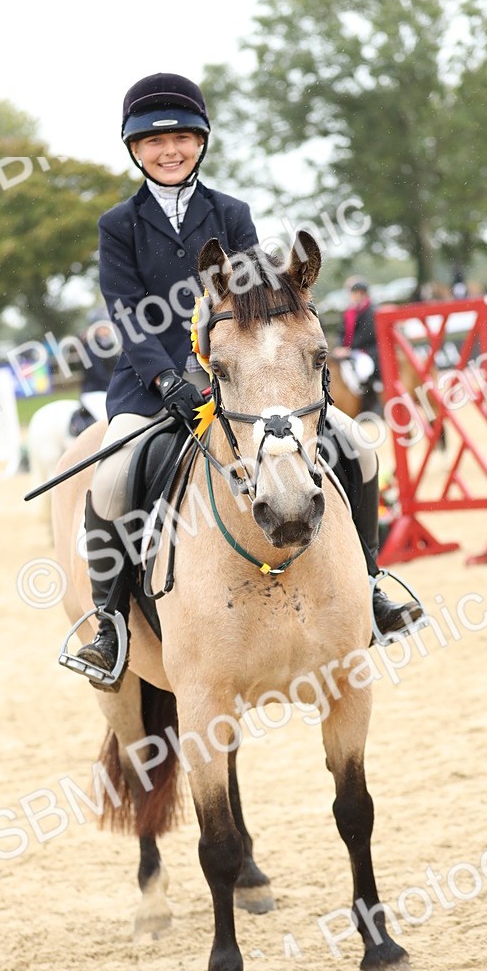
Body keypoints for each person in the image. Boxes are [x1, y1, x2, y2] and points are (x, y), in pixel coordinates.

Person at [69, 72, 425, 689]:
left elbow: (254, 297)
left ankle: (371, 585)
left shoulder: (231, 212)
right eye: (155, 142)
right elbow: (125, 312)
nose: (170, 151)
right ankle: (111, 623)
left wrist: (240, 365)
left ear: (201, 142)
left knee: (357, 446)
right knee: (111, 477)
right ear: (134, 149)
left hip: (241, 379)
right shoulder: (117, 225)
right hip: (149, 386)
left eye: (182, 138)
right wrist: (166, 380)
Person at [333, 277, 380, 409]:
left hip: (366, 350)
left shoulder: (371, 311)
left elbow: (366, 335)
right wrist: (339, 346)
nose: (352, 296)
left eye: (354, 293)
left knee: (364, 370)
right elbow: (341, 331)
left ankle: (372, 403)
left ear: (361, 293)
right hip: (349, 351)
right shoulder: (349, 312)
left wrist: (349, 348)